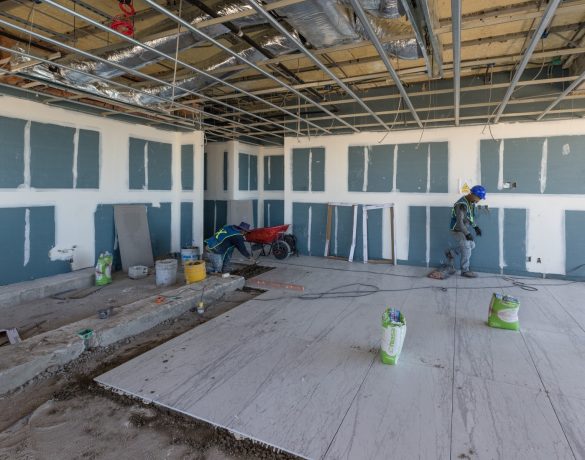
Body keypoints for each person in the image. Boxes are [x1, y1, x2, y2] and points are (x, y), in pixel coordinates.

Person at [445, 185, 486, 278]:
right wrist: (467, 234)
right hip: (457, 230)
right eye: (479, 198)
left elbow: (470, 217)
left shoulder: (470, 203)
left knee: (472, 245)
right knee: (467, 246)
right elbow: (460, 223)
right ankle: (465, 270)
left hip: (463, 229)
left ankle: (451, 253)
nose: (479, 201)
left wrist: (475, 227)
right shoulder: (461, 205)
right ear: (473, 194)